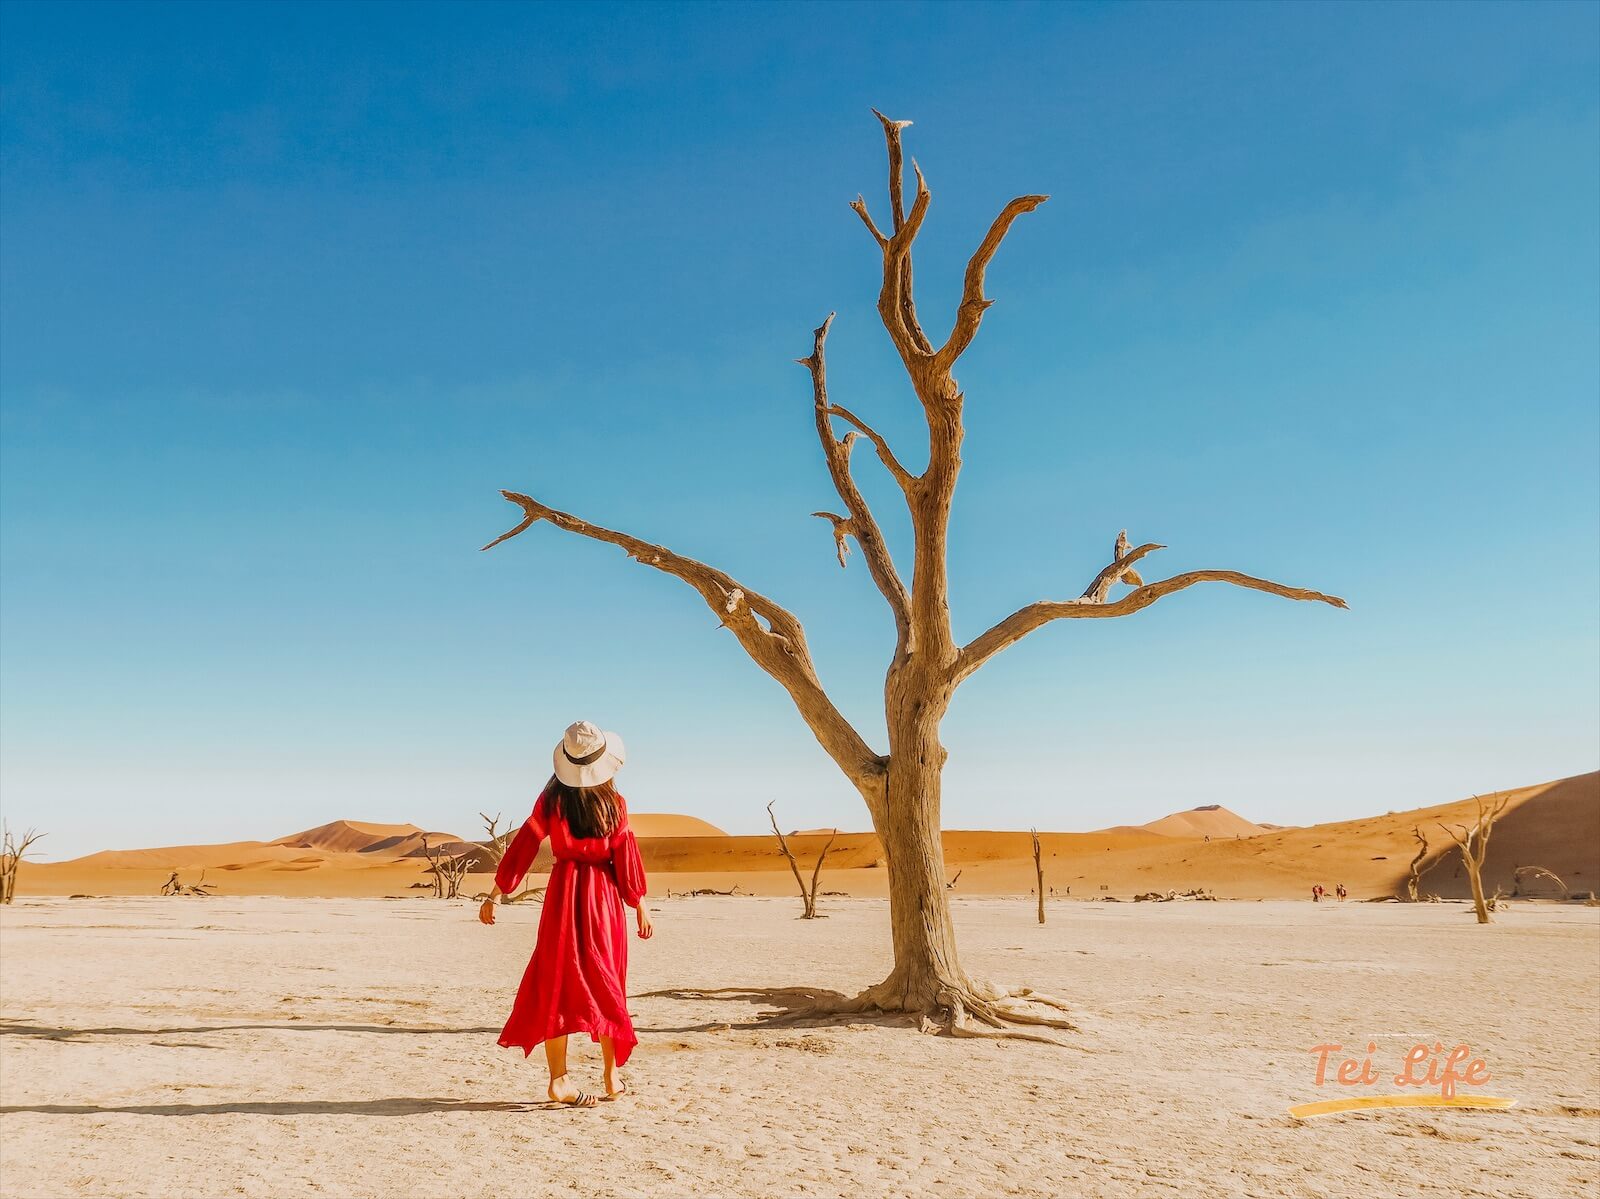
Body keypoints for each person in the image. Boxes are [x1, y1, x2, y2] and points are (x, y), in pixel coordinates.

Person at [479, 720, 653, 1108]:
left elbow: (524, 845)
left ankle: (560, 1079)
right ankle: (612, 1075)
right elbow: (626, 857)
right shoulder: (615, 804)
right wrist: (638, 902)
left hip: (564, 897)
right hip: (604, 902)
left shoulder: (552, 802)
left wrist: (496, 893)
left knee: (555, 982)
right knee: (607, 983)